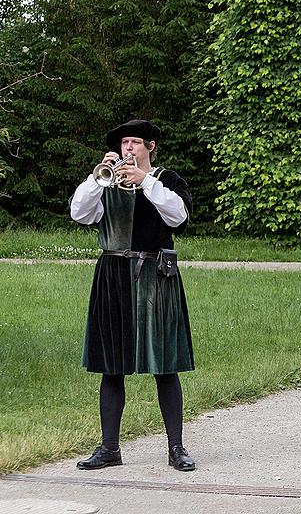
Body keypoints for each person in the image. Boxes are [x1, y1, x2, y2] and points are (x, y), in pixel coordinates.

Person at [70, 119, 196, 472]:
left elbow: (178, 217)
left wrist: (146, 182)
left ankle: (177, 448)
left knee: (165, 366)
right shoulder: (106, 182)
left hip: (156, 276)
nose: (129, 149)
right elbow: (79, 213)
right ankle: (109, 448)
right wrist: (99, 178)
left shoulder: (167, 180)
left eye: (135, 142)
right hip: (112, 276)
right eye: (125, 143)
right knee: (112, 366)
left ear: (150, 146)